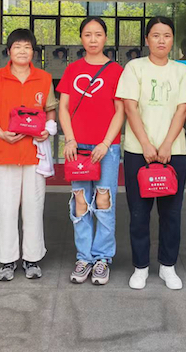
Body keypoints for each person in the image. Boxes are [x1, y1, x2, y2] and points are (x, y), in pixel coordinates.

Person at [116, 17, 186, 290]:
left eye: (167, 35)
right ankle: (140, 267)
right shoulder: (134, 67)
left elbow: (183, 110)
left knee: (171, 213)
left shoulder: (181, 71)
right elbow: (130, 107)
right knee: (139, 213)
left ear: (173, 39)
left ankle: (167, 266)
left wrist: (166, 145)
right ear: (147, 39)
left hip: (174, 152)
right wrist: (146, 144)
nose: (161, 40)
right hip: (138, 152)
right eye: (156, 35)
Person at [0, 29, 58, 281]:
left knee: (34, 206)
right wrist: (1, 134)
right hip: (5, 151)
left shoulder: (44, 78)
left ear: (33, 52)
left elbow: (50, 109)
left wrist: (48, 129)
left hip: (35, 153)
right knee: (6, 208)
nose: (22, 51)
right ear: (9, 51)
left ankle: (32, 258)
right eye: (17, 47)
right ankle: (7, 260)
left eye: (27, 47)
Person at [58, 17, 125, 285]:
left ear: (105, 38)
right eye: (88, 34)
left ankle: (102, 258)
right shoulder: (72, 69)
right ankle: (84, 257)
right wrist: (69, 139)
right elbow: (63, 107)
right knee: (80, 201)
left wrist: (106, 143)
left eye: (98, 34)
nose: (93, 39)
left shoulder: (116, 70)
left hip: (107, 148)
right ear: (81, 38)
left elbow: (120, 111)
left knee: (104, 200)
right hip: (78, 147)